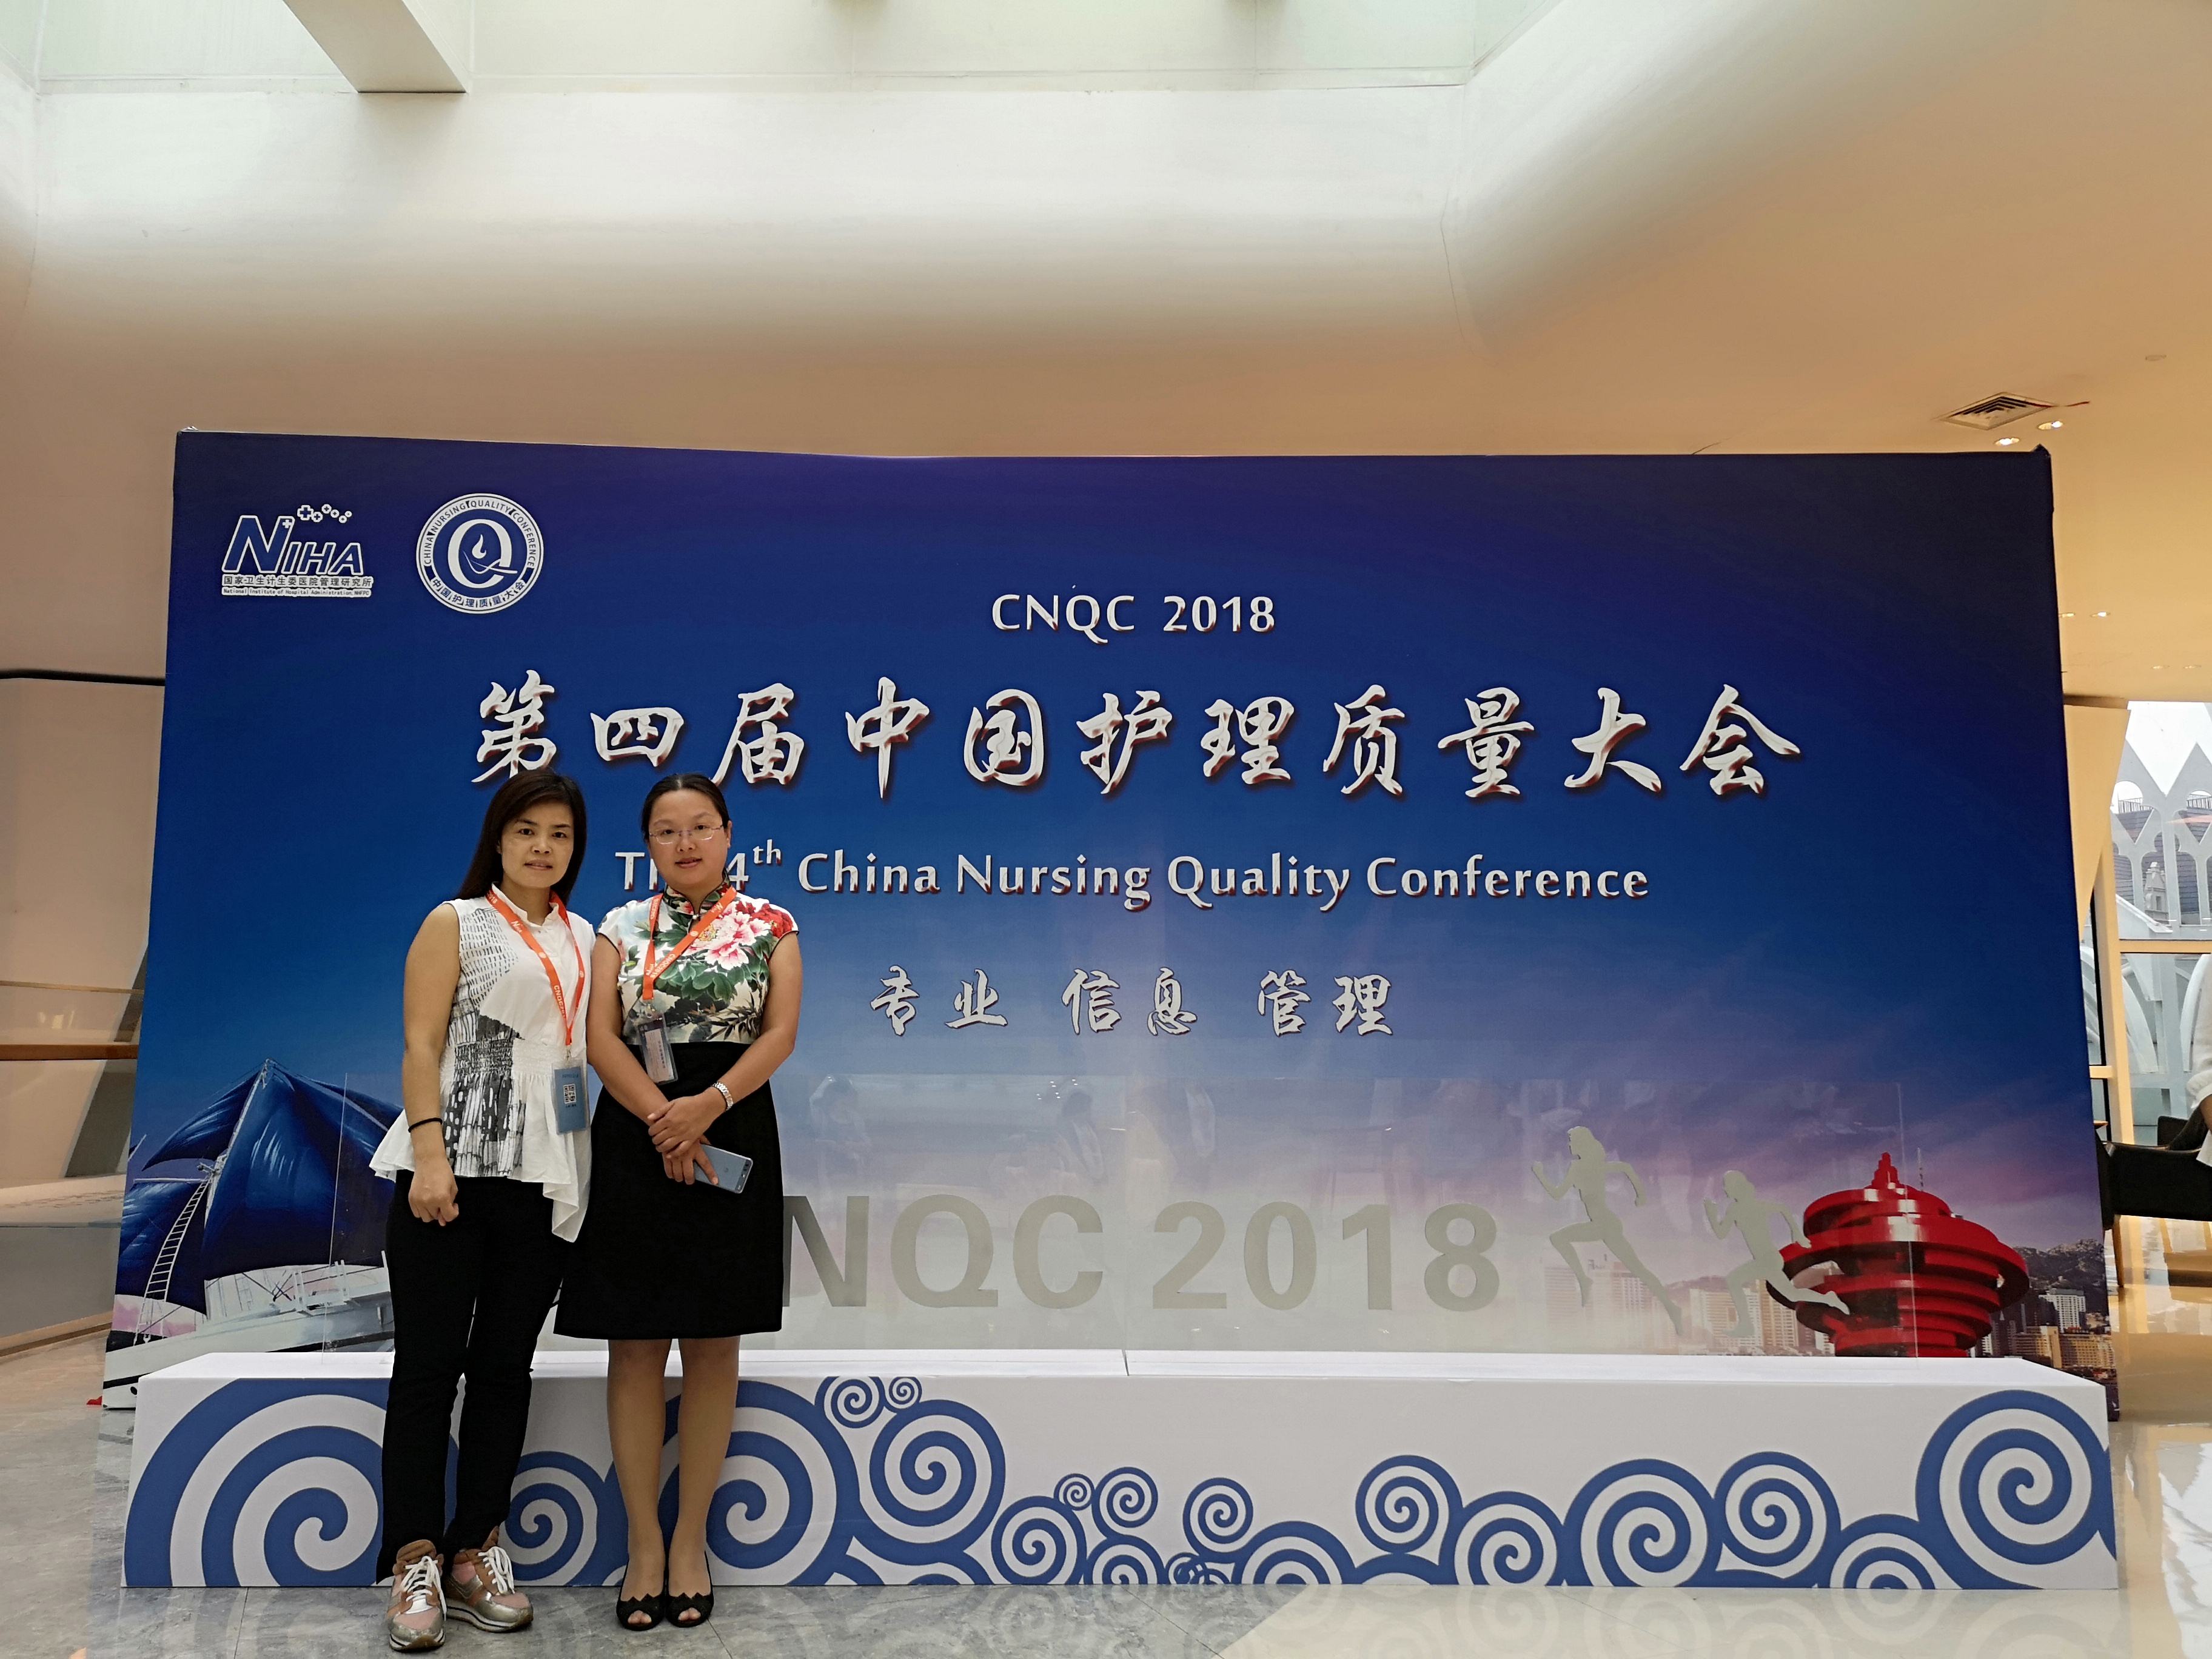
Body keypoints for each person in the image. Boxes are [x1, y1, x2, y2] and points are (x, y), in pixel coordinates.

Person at [556, 773, 802, 1631]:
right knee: (633, 1344)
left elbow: (780, 1034)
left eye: (701, 826)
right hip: (636, 1126)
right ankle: (644, 1545)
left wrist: (708, 1107)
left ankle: (690, 1541)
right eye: (667, 830)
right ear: (648, 845)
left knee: (711, 1339)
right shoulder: (620, 927)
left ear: (728, 834)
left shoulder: (772, 925)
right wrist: (664, 1120)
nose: (686, 842)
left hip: (732, 1118)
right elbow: (599, 1038)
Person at [372, 770, 595, 1652]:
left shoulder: (584, 938)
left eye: (560, 835)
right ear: (498, 838)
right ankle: (414, 1559)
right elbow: (420, 1042)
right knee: (429, 1369)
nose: (543, 847)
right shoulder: (455, 922)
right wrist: (431, 1156)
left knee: (505, 1369)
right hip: (450, 1174)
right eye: (527, 830)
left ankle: (476, 1551)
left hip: (541, 1181)